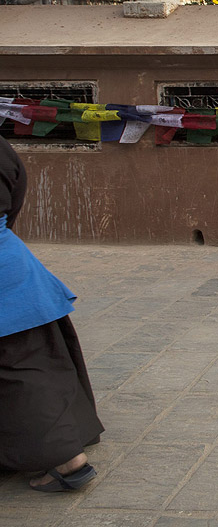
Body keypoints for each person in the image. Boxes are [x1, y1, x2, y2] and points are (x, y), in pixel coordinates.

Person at [0, 135, 104, 491]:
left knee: (22, 374)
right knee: (36, 363)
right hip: (12, 266)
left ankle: (67, 461)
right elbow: (16, 194)